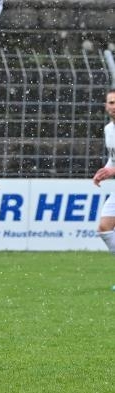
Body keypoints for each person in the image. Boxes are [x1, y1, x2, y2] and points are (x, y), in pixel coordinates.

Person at [93, 89, 115, 286]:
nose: (114, 106)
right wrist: (105, 170)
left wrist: (112, 171)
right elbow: (113, 158)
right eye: (111, 102)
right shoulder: (109, 129)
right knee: (104, 228)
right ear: (106, 106)